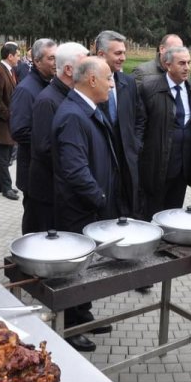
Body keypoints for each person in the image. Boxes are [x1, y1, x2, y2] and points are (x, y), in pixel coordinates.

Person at [53, 56, 121, 352]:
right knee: (74, 270)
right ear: (91, 80)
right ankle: (69, 327)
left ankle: (84, 314)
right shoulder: (72, 115)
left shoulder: (89, 109)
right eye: (108, 78)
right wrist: (101, 198)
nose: (111, 83)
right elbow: (75, 170)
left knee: (87, 267)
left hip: (90, 208)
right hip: (78, 211)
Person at [28, 42, 88, 233]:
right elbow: (45, 148)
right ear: (69, 70)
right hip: (49, 194)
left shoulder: (71, 95)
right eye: (85, 65)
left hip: (63, 190)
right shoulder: (47, 101)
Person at [139, 46, 191, 219]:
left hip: (182, 170)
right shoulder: (149, 89)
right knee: (152, 216)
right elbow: (140, 129)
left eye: (189, 62)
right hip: (156, 168)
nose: (187, 67)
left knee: (173, 215)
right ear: (167, 64)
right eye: (182, 63)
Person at [95, 30, 146, 218]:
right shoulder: (88, 83)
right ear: (101, 54)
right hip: (101, 162)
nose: (123, 58)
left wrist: (135, 144)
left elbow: (140, 117)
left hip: (126, 159)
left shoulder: (128, 82)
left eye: (124, 52)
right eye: (118, 53)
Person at [9, 38, 57, 233]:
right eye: (51, 58)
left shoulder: (48, 84)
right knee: (35, 226)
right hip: (33, 172)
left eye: (58, 58)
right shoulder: (26, 89)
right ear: (37, 61)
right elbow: (19, 130)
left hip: (47, 170)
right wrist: (48, 139)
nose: (56, 63)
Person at [0, 42, 21, 200]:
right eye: (18, 55)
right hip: (0, 123)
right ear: (10, 56)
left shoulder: (9, 71)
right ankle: (6, 187)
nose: (19, 58)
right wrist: (8, 115)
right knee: (3, 157)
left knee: (5, 154)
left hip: (6, 121)